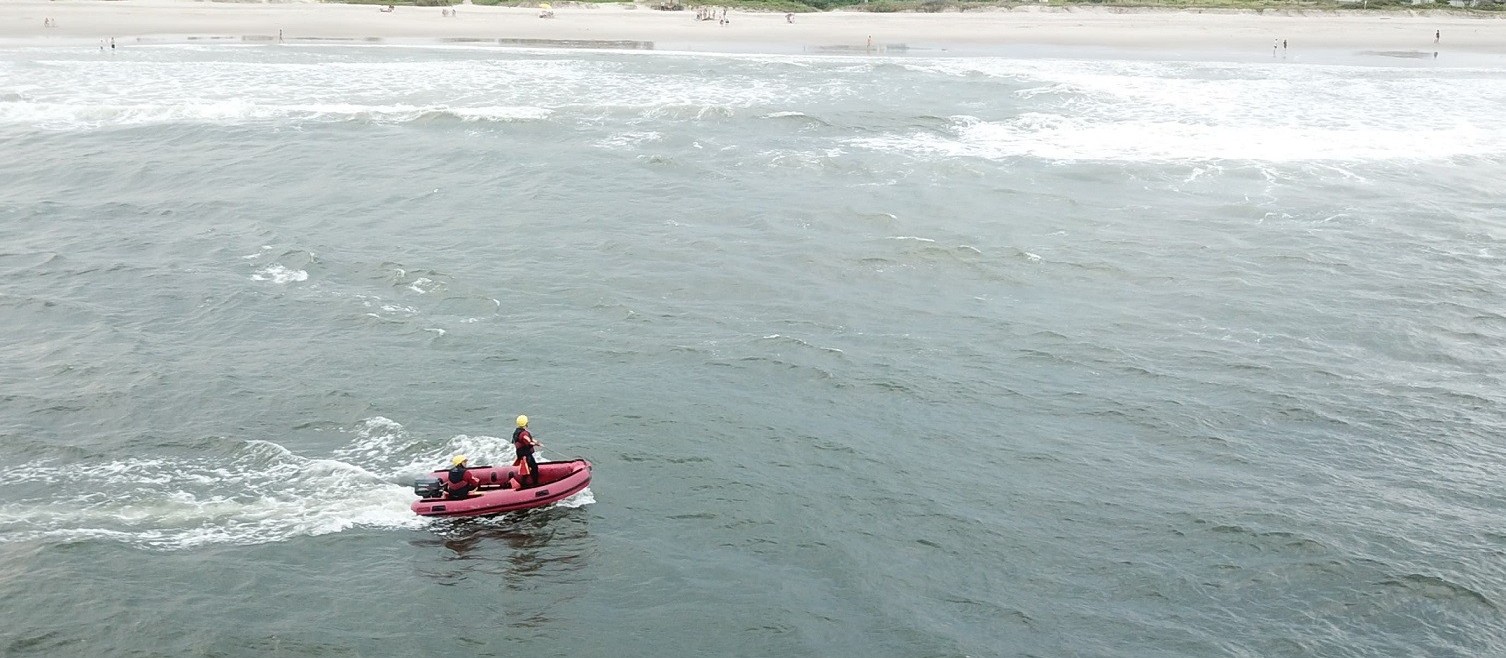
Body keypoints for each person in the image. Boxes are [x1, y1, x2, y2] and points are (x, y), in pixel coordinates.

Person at [512, 415, 541, 488]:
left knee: (526, 469)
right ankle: (535, 484)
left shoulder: (517, 432)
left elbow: (529, 439)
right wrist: (537, 444)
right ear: (526, 423)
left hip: (520, 454)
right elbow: (528, 441)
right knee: (534, 467)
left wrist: (537, 442)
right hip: (526, 455)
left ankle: (524, 483)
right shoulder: (524, 434)